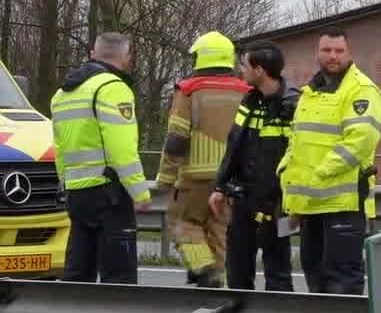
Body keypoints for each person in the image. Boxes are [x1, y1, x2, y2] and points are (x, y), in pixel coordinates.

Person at [279, 28, 381, 295]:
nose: (332, 56)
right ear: (318, 53)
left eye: (339, 51)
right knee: (314, 270)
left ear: (349, 53)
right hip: (311, 203)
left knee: (342, 277)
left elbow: (360, 140)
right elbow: (297, 141)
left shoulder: (361, 90)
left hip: (344, 201)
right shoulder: (310, 93)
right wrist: (285, 173)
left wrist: (319, 174)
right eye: (327, 50)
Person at [49, 32, 149, 284]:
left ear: (93, 54)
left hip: (77, 193)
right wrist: (139, 191)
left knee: (78, 269)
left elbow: (59, 147)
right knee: (119, 274)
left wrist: (66, 183)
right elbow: (122, 148)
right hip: (110, 194)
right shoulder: (112, 88)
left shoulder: (62, 94)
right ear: (126, 57)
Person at [155, 31, 249, 288]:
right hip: (232, 178)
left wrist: (166, 176)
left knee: (183, 223)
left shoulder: (188, 91)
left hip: (194, 177)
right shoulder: (246, 91)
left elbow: (176, 138)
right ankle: (222, 290)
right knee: (220, 232)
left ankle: (203, 268)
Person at [211, 42, 300, 291]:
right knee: (237, 270)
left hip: (278, 203)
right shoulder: (249, 100)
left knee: (278, 272)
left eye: (244, 64)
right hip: (244, 200)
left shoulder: (293, 106)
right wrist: (220, 186)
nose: (240, 69)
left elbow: (299, 157)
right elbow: (234, 146)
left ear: (259, 70)